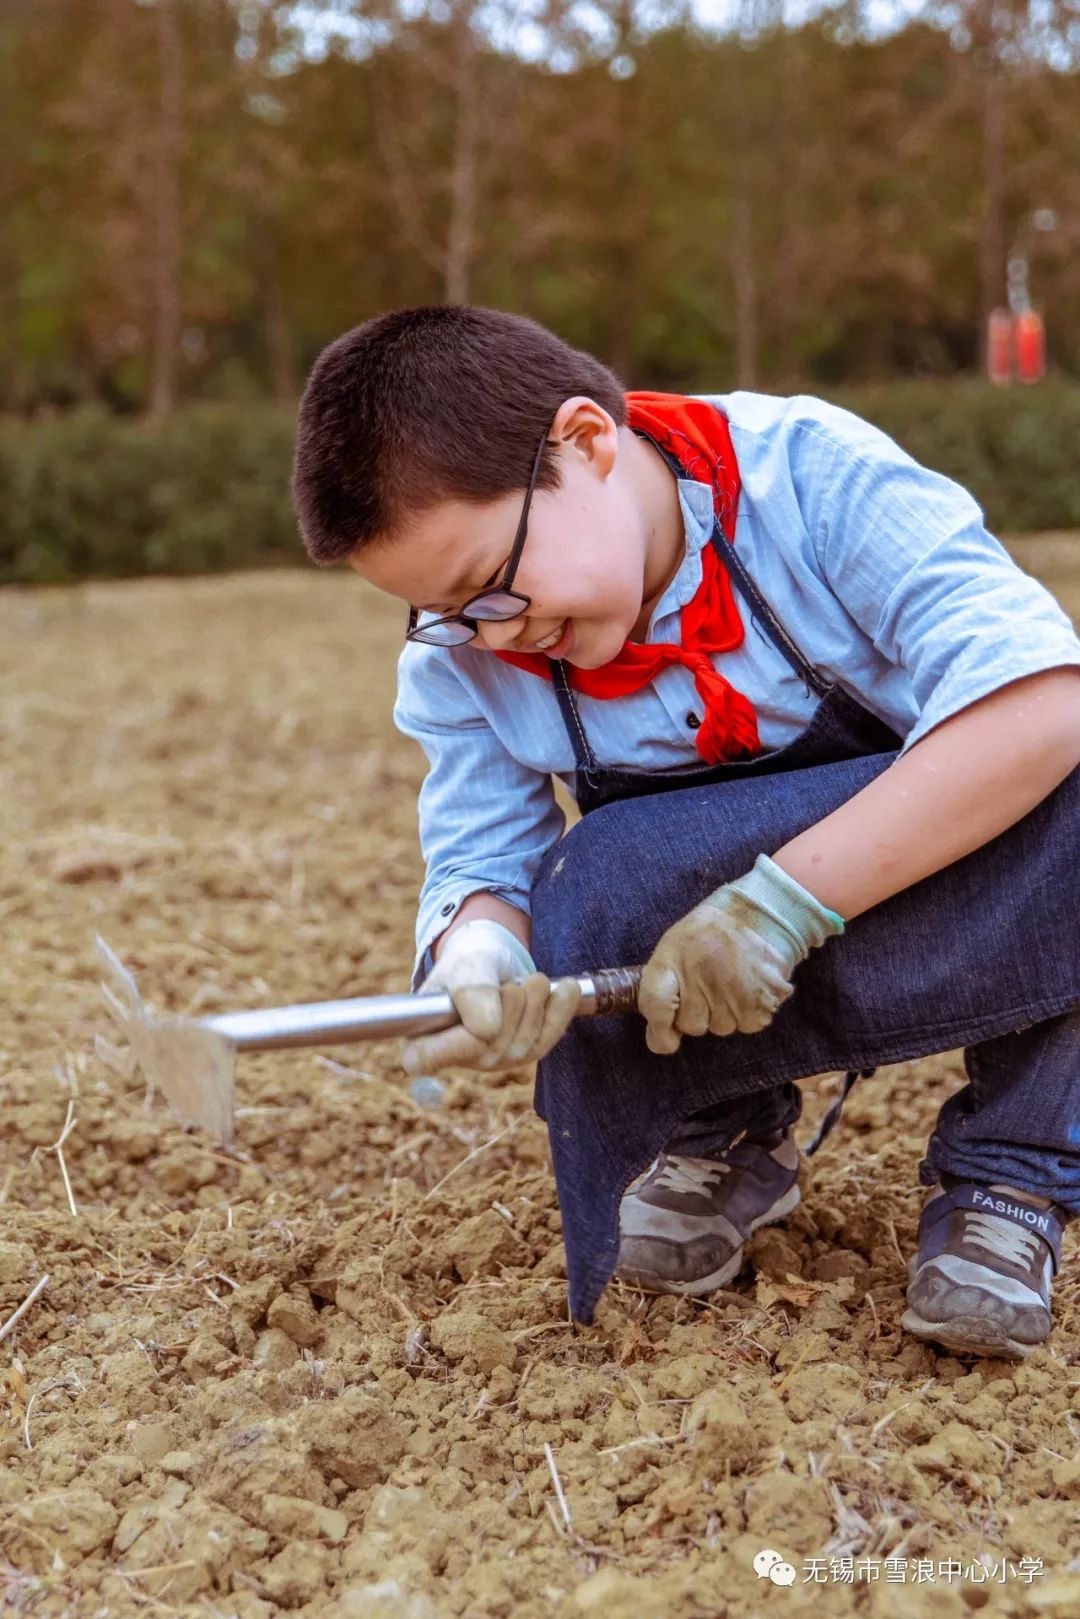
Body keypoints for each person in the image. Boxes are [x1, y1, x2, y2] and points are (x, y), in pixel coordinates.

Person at [291, 304, 1080, 1361]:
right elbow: (486, 856)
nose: (492, 632)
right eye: (446, 612)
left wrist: (786, 902)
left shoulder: (813, 476)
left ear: (586, 442)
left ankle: (1012, 1171)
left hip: (944, 864)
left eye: (490, 583)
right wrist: (480, 954)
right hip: (693, 960)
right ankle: (717, 1133)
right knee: (592, 875)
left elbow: (1041, 698)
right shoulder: (460, 653)